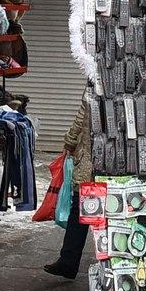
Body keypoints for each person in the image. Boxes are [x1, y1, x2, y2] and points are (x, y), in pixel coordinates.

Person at [42, 111, 94, 279]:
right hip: (115, 163)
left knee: (80, 213)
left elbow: (81, 117)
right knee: (113, 211)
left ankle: (69, 262)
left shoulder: (94, 85)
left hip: (90, 162)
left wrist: (70, 143)